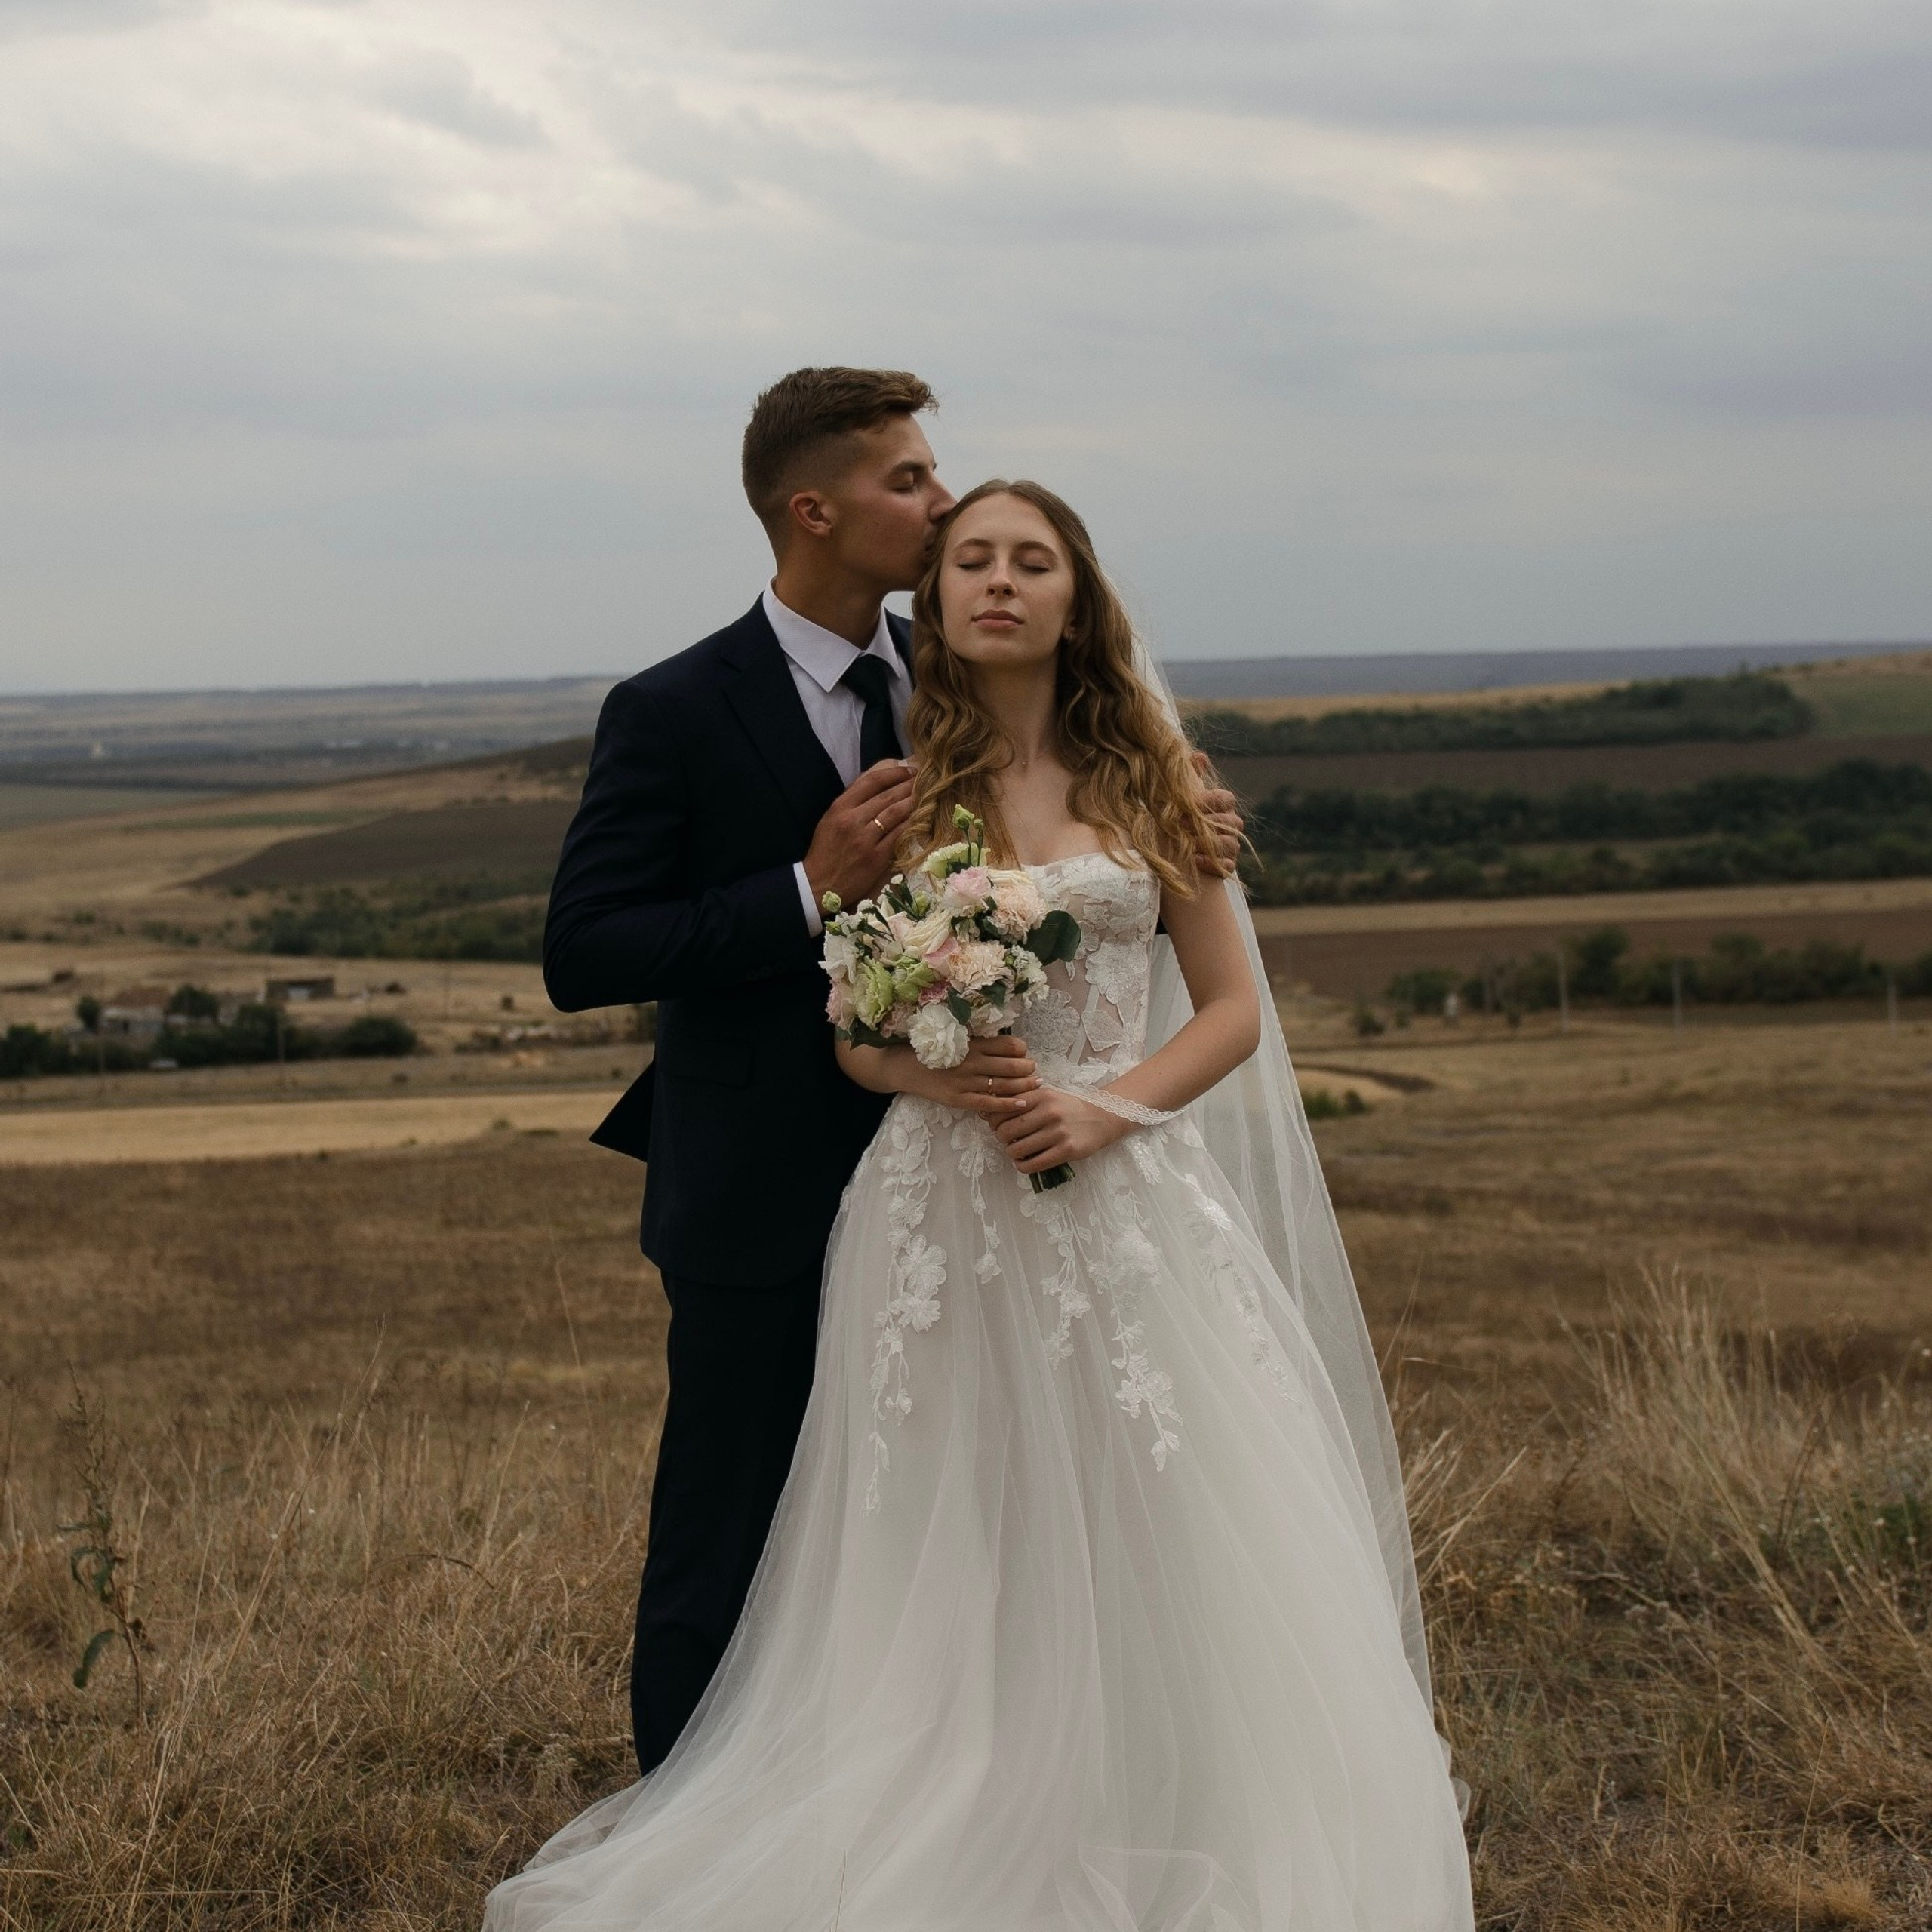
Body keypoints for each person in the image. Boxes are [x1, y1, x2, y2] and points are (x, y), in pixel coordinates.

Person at [491, 478, 1475, 1929]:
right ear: (931, 598)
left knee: (1161, 1513)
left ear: (1081, 596)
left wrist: (1103, 1106)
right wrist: (932, 1067)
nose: (998, 582)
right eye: (969, 561)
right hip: (935, 1209)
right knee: (947, 1529)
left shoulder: (1157, 776)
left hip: (1124, 1192)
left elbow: (1233, 1014)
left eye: (1032, 561)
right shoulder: (908, 790)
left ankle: (1166, 1808)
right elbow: (852, 1035)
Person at [540, 367, 1246, 1777]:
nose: (943, 510)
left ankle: (985, 1789)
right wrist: (802, 892)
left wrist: (1182, 811)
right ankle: (697, 1816)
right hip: (762, 1183)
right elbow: (585, 948)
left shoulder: (968, 656)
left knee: (978, 1524)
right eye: (912, 483)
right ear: (816, 509)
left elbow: (1089, 746)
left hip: (1002, 1169)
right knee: (733, 1529)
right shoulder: (674, 707)